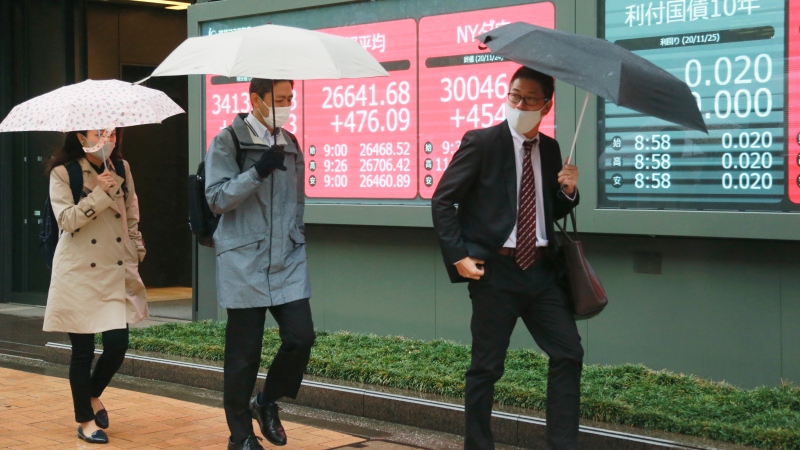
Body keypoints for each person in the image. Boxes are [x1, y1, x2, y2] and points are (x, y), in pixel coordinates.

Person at [431, 66, 583, 450]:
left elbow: (546, 210)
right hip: (496, 273)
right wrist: (459, 257)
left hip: (543, 273)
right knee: (486, 367)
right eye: (515, 96)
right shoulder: (482, 142)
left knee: (569, 352)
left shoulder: (551, 149)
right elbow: (443, 200)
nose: (520, 105)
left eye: (530, 100)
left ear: (546, 106)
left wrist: (568, 192)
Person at [205, 78, 314, 450]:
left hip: (287, 259)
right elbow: (216, 198)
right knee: (244, 356)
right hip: (243, 260)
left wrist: (296, 237)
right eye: (279, 98)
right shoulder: (228, 141)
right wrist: (257, 172)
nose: (287, 105)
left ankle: (265, 402)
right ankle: (240, 436)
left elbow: (297, 201)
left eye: (290, 97)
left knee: (301, 337)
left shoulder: (290, 142)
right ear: (256, 98)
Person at [43, 127, 148, 445]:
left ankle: (91, 395)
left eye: (112, 132)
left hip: (115, 267)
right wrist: (100, 193)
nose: (108, 139)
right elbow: (66, 220)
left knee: (117, 345)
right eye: (100, 132)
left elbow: (131, 213)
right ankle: (86, 421)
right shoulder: (63, 172)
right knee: (83, 352)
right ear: (81, 137)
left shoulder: (122, 168)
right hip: (78, 271)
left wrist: (136, 248)